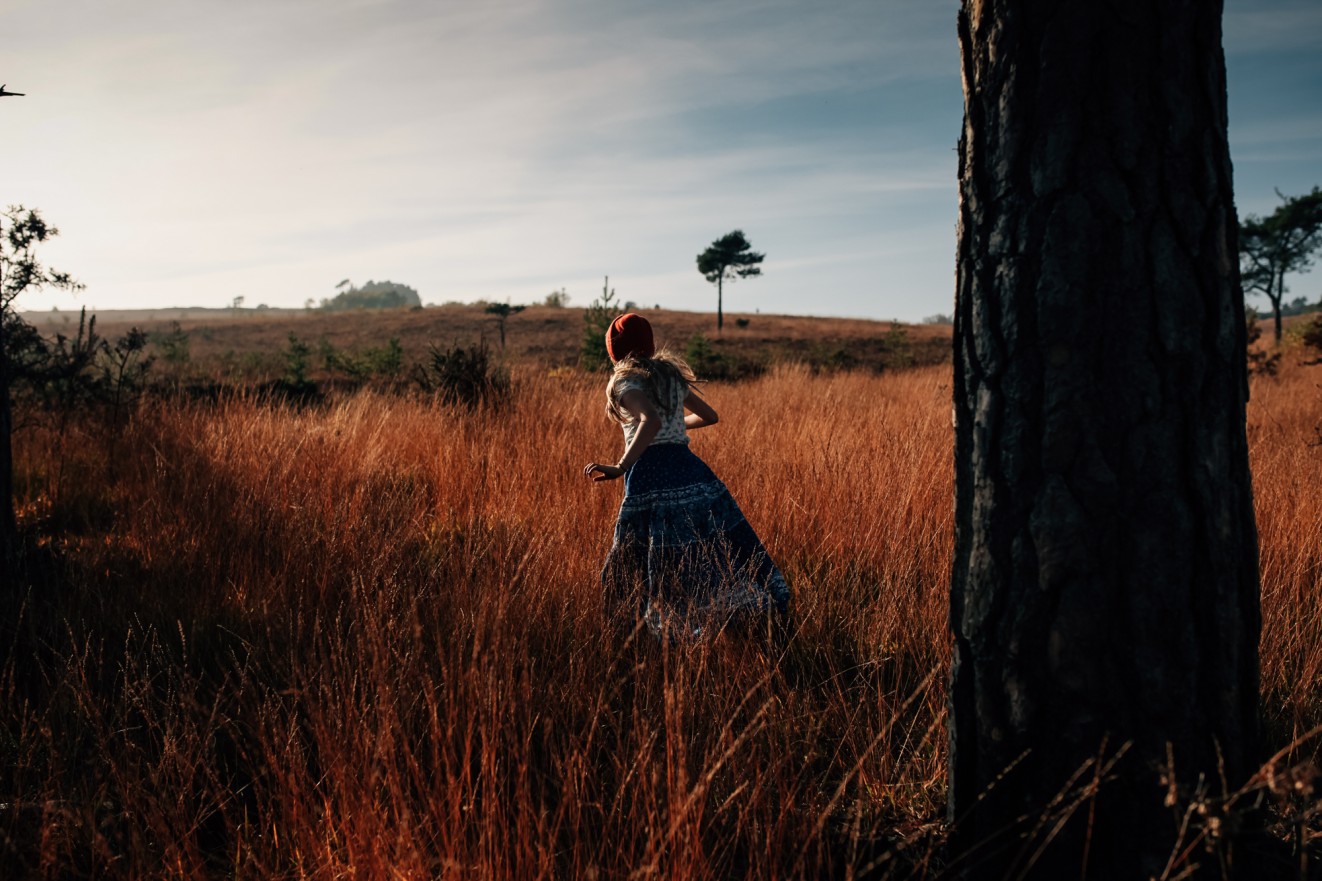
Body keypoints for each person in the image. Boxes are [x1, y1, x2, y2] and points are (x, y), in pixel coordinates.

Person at [583, 313, 790, 640]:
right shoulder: (669, 377)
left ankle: (659, 634)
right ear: (649, 345)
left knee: (648, 560)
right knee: (708, 551)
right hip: (690, 470)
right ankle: (731, 618)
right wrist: (674, 425)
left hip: (651, 474)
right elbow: (709, 416)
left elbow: (649, 421)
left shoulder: (624, 382)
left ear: (614, 352)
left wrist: (621, 466)